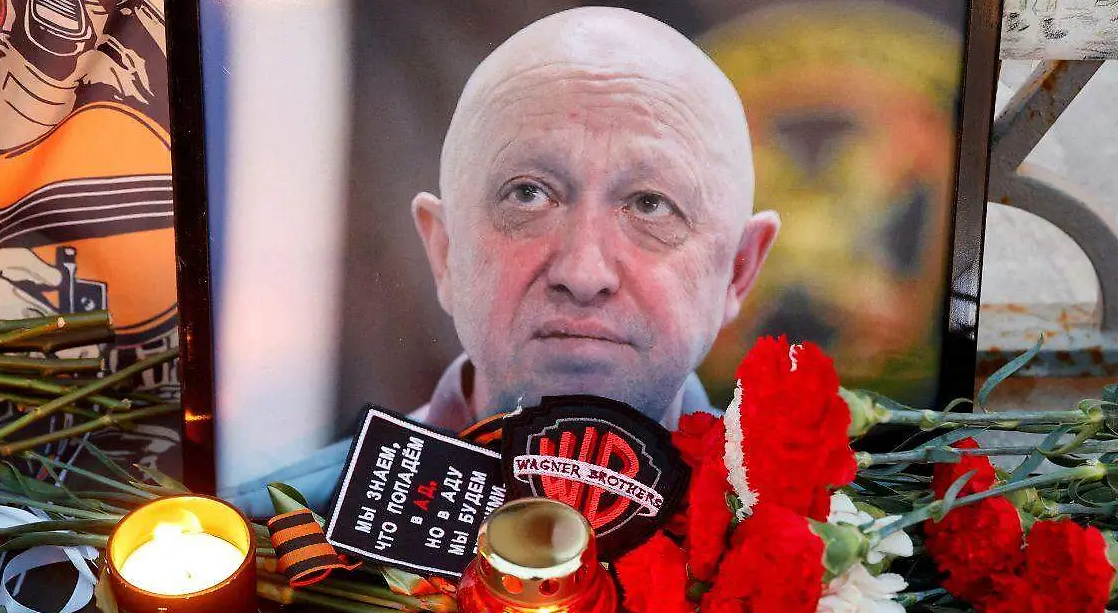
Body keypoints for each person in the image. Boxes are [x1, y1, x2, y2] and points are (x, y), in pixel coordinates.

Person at [224, 6, 779, 518]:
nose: (583, 274)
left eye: (651, 205)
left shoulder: (824, 556)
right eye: (528, 194)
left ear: (738, 270)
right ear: (444, 250)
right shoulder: (263, 547)